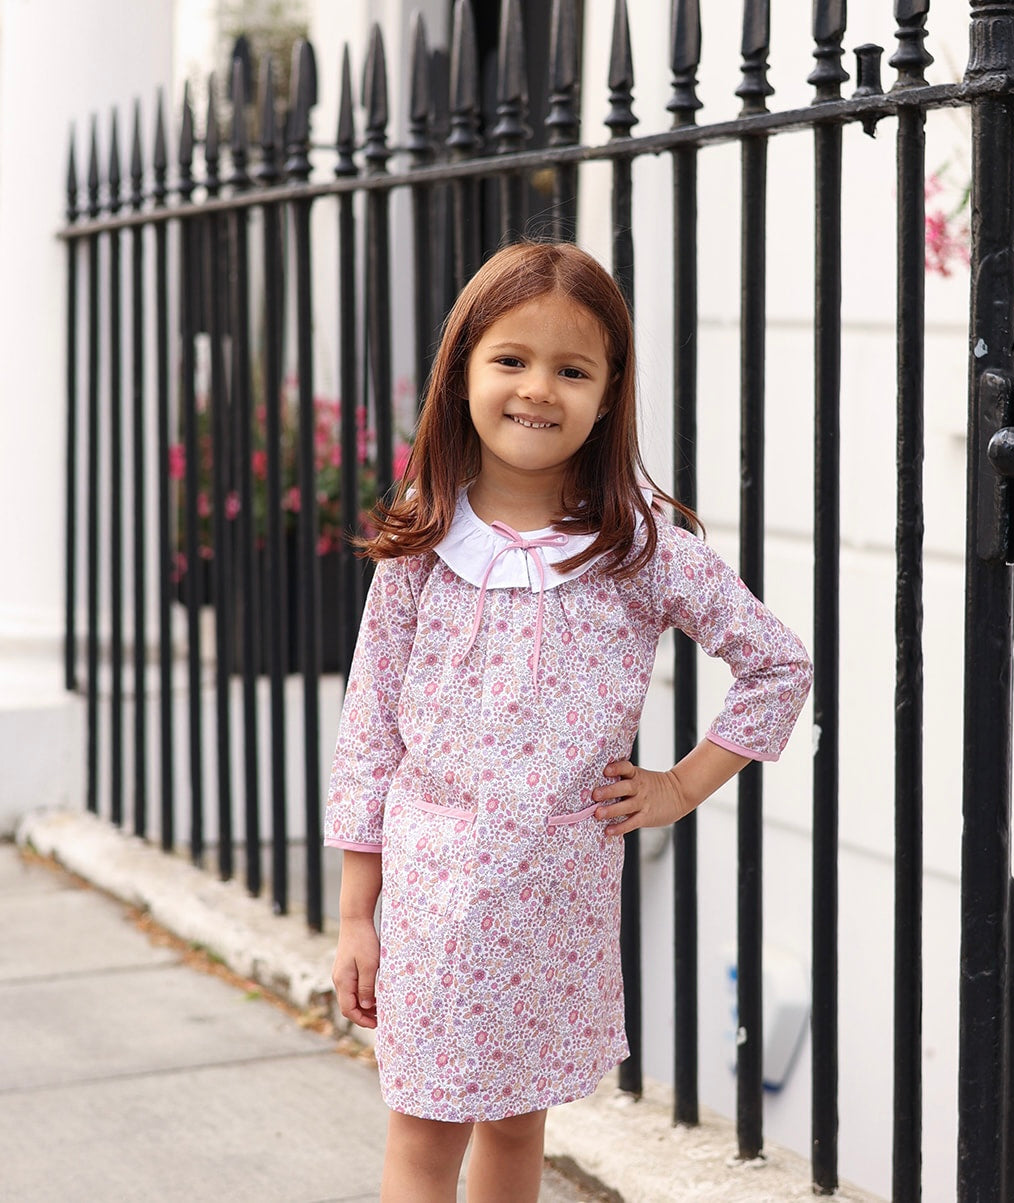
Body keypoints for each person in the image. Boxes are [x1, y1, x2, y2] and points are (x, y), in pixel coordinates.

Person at [325, 240, 811, 1203]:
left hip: (554, 909)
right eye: (510, 359)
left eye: (571, 367)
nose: (537, 388)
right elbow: (369, 730)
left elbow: (776, 664)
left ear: (607, 389)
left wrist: (678, 785)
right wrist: (352, 912)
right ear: (462, 368)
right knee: (422, 1135)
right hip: (428, 901)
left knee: (515, 1131)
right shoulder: (422, 544)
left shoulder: (642, 553)